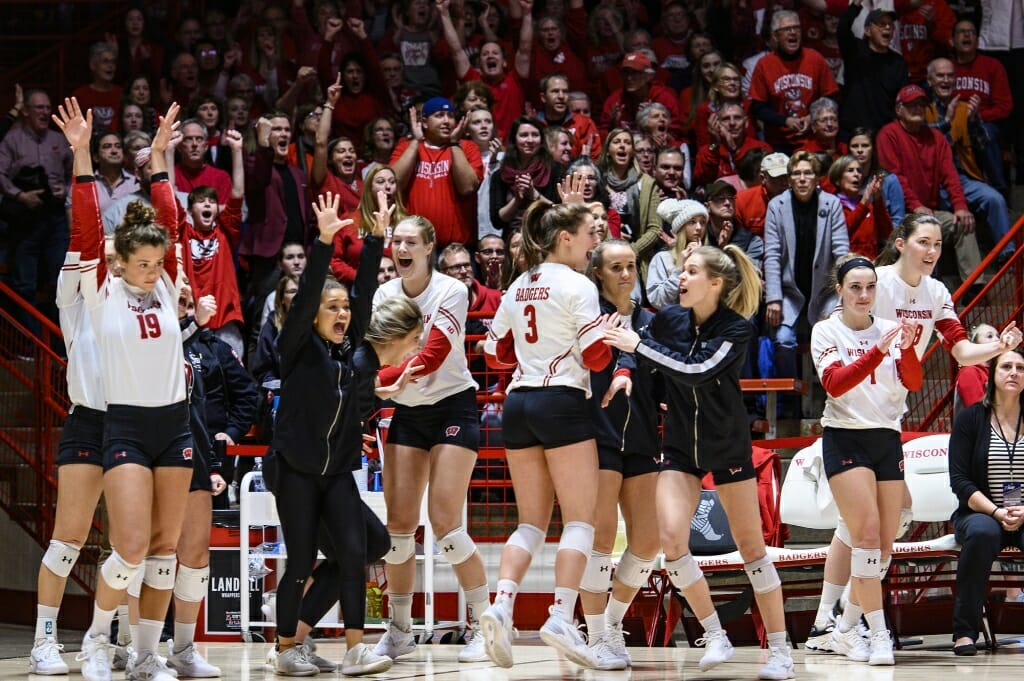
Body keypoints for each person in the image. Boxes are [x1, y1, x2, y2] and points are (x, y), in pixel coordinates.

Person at [803, 214, 1023, 651]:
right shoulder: (873, 281)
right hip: (849, 416)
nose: (932, 251)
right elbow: (840, 338)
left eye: (939, 244)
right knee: (865, 525)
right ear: (900, 244)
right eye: (923, 242)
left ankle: (837, 618)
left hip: (888, 416)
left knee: (879, 524)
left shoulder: (936, 291)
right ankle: (837, 618)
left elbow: (959, 350)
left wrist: (999, 348)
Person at [604, 244, 796, 680]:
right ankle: (714, 634)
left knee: (751, 549)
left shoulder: (736, 328)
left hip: (727, 447)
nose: (681, 278)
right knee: (671, 541)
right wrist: (625, 368)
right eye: (681, 270)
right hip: (678, 449)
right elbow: (641, 348)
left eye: (690, 272)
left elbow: (696, 371)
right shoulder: (670, 319)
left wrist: (639, 348)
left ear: (716, 283)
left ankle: (781, 650)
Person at [65, 99, 193, 681]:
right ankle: (96, 640)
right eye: (139, 262)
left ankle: (146, 656)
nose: (149, 270)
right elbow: (87, 225)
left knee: (165, 548)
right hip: (126, 427)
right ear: (118, 262)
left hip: (176, 423)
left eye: (155, 262)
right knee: (133, 546)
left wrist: (161, 159)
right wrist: (82, 154)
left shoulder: (168, 284)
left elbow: (173, 221)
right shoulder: (101, 288)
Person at [267, 191, 412, 676]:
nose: (342, 314)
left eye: (344, 308)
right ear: (313, 314)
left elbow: (367, 291)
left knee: (357, 554)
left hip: (337, 472)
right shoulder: (297, 348)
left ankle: (355, 651)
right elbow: (308, 291)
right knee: (303, 560)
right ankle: (287, 648)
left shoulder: (355, 354)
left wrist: (375, 239)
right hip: (295, 469)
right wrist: (326, 243)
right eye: (331, 307)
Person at [479, 195, 609, 670]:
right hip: (561, 401)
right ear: (565, 238)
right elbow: (596, 358)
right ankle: (560, 614)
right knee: (579, 520)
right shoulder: (579, 285)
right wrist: (608, 338)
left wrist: (528, 356)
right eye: (590, 234)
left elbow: (494, 354)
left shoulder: (516, 287)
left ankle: (502, 604)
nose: (595, 243)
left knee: (530, 522)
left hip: (517, 404)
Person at [370, 215, 493, 665]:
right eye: (395, 241)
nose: (401, 248)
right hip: (408, 412)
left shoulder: (451, 290)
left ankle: (484, 624)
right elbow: (372, 351)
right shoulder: (384, 294)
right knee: (398, 529)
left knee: (445, 523)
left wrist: (377, 381)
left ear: (427, 248)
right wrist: (378, 380)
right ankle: (399, 629)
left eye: (410, 242)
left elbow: (433, 353)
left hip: (452, 407)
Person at [28, 118, 113, 676]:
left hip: (137, 426)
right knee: (68, 540)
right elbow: (86, 229)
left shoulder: (136, 290)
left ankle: (111, 640)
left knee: (132, 549)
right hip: (89, 424)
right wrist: (82, 155)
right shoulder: (76, 286)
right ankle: (43, 640)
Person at [809, 254, 922, 665]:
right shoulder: (826, 331)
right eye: (855, 287)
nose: (863, 294)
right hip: (846, 439)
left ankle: (845, 627)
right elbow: (836, 385)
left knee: (885, 545)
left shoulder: (891, 329)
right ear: (839, 289)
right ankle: (877, 634)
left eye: (870, 287)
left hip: (886, 439)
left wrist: (906, 349)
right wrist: (876, 351)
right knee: (867, 537)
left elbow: (913, 381)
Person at [578, 239, 662, 670]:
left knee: (648, 540)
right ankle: (594, 636)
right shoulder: (589, 318)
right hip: (599, 434)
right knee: (600, 539)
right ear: (599, 273)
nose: (626, 274)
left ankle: (611, 622)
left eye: (631, 265)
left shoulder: (650, 321)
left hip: (644, 438)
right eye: (616, 267)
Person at [948, 347, 1024, 656]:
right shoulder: (970, 419)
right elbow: (960, 481)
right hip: (980, 512)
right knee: (982, 533)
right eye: (1006, 366)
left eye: (1020, 367)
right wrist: (995, 511)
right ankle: (966, 632)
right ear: (992, 375)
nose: (1014, 372)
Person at [875, 85, 982, 291]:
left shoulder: (936, 137)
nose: (917, 109)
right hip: (901, 213)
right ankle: (926, 288)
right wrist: (915, 205)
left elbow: (950, 175)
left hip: (931, 210)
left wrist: (960, 206)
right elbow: (896, 177)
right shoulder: (888, 134)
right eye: (911, 105)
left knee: (963, 223)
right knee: (923, 230)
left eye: (921, 105)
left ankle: (974, 287)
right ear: (899, 109)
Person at [763, 151, 849, 405]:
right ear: (789, 179)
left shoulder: (831, 204)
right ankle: (792, 399)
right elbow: (772, 255)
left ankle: (834, 395)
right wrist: (774, 298)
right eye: (797, 174)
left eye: (808, 173)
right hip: (789, 292)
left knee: (837, 337)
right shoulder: (776, 206)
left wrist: (845, 292)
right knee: (783, 341)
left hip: (825, 292)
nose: (802, 179)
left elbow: (841, 250)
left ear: (817, 178)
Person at [390, 97, 484, 248]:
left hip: (457, 249)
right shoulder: (405, 148)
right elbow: (394, 184)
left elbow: (467, 188)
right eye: (439, 115)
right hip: (414, 247)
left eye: (451, 116)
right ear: (425, 122)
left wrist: (454, 143)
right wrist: (416, 141)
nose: (447, 121)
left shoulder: (467, 148)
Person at [748, 11, 839, 152]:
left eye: (796, 28)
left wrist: (812, 117)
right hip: (778, 142)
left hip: (812, 138)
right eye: (786, 29)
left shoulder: (815, 59)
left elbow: (830, 96)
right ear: (775, 36)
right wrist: (785, 121)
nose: (793, 32)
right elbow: (758, 107)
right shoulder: (764, 65)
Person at [330, 166, 407, 286]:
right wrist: (361, 278)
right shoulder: (350, 220)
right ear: (368, 189)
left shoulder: (406, 223)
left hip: (399, 290)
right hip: (358, 290)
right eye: (381, 182)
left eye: (392, 182)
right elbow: (334, 261)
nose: (388, 186)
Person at [837, 6, 906, 139]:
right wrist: (856, 5)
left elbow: (900, 100)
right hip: (853, 132)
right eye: (881, 24)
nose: (887, 28)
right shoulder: (855, 51)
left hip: (883, 134)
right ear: (868, 30)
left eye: (890, 25)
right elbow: (843, 28)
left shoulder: (898, 62)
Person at [491, 117, 563, 236]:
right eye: (524, 135)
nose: (530, 140)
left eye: (535, 135)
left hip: (546, 238)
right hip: (513, 241)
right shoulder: (499, 175)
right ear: (514, 139)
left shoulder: (555, 170)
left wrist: (534, 194)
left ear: (541, 140)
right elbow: (497, 221)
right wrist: (517, 200)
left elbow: (560, 213)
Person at [646, 199, 709, 309]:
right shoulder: (663, 258)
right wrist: (679, 268)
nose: (699, 228)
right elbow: (658, 301)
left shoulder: (710, 258)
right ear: (681, 227)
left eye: (702, 222)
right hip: (674, 322)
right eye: (692, 222)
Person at [827, 155, 892, 260]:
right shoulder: (832, 204)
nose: (856, 174)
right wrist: (863, 204)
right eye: (850, 170)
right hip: (844, 263)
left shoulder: (868, 205)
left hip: (870, 264)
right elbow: (841, 232)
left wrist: (878, 199)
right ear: (838, 179)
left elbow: (887, 233)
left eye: (859, 171)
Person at [955, 324, 1000, 413]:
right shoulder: (969, 372)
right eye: (990, 336)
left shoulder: (995, 371)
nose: (997, 340)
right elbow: (977, 411)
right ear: (975, 344)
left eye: (998, 336)